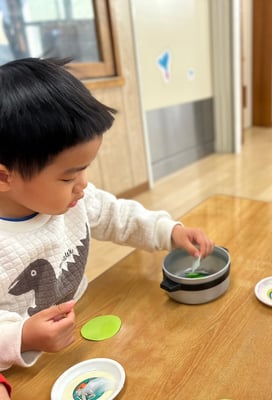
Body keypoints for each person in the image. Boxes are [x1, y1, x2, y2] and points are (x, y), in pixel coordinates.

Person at [0, 58, 215, 371]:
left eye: (84, 169)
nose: (83, 185)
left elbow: (117, 216)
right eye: (68, 177)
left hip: (80, 314)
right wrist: (22, 337)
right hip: (21, 363)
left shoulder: (75, 200)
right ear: (4, 177)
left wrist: (168, 231)